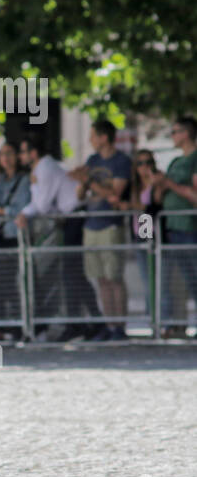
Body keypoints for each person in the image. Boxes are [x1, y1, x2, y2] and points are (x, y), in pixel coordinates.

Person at [17, 135, 94, 341]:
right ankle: (88, 322)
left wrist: (32, 191)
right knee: (72, 274)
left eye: (24, 152)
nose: (21, 156)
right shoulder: (43, 168)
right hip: (68, 219)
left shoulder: (44, 168)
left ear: (33, 153)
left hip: (74, 218)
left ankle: (85, 323)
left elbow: (41, 205)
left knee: (72, 274)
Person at [70, 121, 132, 340]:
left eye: (93, 136)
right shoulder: (92, 161)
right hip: (91, 224)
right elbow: (80, 195)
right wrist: (81, 183)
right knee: (101, 280)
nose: (90, 140)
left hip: (110, 224)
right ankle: (109, 324)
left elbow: (114, 194)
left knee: (114, 277)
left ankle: (120, 327)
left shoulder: (121, 161)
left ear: (104, 137)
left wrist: (88, 180)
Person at [0, 141, 31, 339]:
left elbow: (19, 208)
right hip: (2, 235)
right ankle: (3, 324)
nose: (6, 158)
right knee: (1, 283)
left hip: (17, 236)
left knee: (19, 283)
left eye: (9, 153)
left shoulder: (25, 179)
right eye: (2, 155)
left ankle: (21, 324)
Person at [155, 116, 197, 337]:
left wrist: (170, 184)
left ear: (187, 133)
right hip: (172, 228)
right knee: (184, 282)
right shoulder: (174, 161)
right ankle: (173, 326)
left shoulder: (194, 159)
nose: (172, 135)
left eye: (175, 131)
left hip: (190, 228)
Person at [126, 149, 161, 322]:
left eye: (148, 162)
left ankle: (159, 318)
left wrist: (135, 205)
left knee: (156, 280)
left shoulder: (157, 183)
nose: (144, 167)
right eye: (140, 163)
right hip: (139, 233)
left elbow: (151, 209)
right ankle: (151, 317)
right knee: (146, 279)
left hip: (154, 235)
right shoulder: (134, 186)